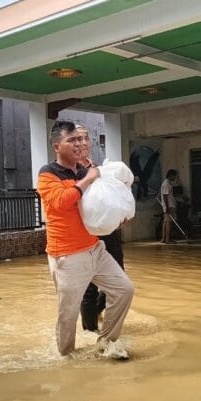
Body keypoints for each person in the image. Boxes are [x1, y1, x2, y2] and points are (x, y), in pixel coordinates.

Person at [37, 121, 134, 360]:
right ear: (57, 146)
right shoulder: (48, 174)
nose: (79, 143)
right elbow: (61, 201)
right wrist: (89, 178)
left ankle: (107, 342)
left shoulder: (88, 168)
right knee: (67, 313)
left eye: (82, 139)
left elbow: (102, 203)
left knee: (124, 289)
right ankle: (65, 356)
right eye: (72, 140)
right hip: (67, 255)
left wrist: (116, 216)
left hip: (95, 248)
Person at [75, 124, 125, 333]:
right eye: (77, 138)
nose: (83, 142)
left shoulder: (97, 168)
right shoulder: (70, 171)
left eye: (86, 137)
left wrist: (120, 214)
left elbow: (108, 197)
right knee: (89, 284)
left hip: (109, 231)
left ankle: (98, 312)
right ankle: (89, 331)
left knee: (119, 277)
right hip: (86, 234)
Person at [160, 169, 178, 244]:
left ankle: (164, 239)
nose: (175, 178)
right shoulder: (166, 184)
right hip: (169, 206)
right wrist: (167, 207)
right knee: (168, 222)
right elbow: (165, 196)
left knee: (165, 222)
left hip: (169, 205)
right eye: (174, 176)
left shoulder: (168, 183)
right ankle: (167, 239)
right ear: (170, 175)